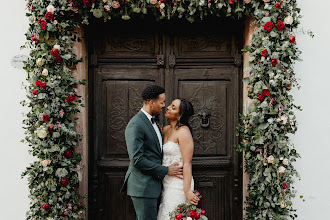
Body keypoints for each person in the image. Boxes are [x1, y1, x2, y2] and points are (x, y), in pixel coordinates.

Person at [121, 85, 183, 220]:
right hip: (143, 186)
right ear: (151, 103)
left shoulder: (154, 121)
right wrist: (166, 170)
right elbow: (137, 159)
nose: (164, 106)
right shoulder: (136, 124)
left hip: (153, 185)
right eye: (161, 102)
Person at [157, 98, 199, 220]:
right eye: (170, 105)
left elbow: (187, 163)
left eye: (173, 107)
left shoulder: (183, 132)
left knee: (174, 215)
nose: (168, 107)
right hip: (166, 181)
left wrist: (187, 191)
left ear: (180, 115)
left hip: (178, 183)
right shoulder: (165, 130)